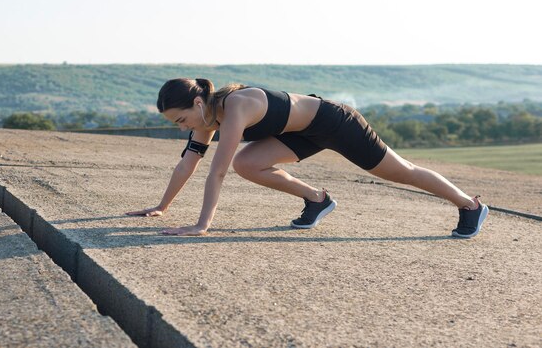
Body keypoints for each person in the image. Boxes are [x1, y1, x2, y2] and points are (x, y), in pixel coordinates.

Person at [126, 78, 489, 238]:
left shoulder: (235, 106)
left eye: (181, 120)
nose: (181, 127)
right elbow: (187, 164)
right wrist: (162, 207)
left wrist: (201, 225)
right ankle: (318, 200)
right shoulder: (205, 120)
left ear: (198, 103)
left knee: (401, 172)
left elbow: (215, 173)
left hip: (335, 122)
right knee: (247, 164)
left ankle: (469, 205)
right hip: (298, 133)